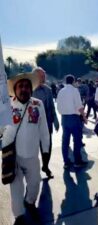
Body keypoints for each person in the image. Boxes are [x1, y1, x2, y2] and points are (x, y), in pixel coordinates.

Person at [2, 73, 50, 225]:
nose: (24, 89)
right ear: (15, 89)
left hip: (32, 156)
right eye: (20, 86)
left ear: (31, 89)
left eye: (27, 86)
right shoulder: (7, 106)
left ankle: (30, 202)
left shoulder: (38, 104)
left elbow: (44, 130)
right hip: (13, 156)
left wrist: (46, 152)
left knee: (35, 183)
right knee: (15, 189)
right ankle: (19, 216)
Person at [32, 67, 59, 179]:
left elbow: (52, 107)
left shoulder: (47, 90)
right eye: (41, 76)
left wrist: (56, 120)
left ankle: (46, 167)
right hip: (32, 126)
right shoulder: (29, 90)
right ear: (35, 77)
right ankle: (33, 171)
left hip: (47, 125)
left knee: (47, 147)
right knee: (33, 150)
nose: (44, 78)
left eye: (44, 76)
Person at [56, 74, 88, 169]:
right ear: (73, 81)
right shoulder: (75, 91)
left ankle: (66, 162)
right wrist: (84, 117)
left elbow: (58, 106)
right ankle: (77, 161)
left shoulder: (61, 91)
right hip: (74, 118)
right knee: (77, 140)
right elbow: (79, 106)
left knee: (65, 141)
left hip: (64, 118)